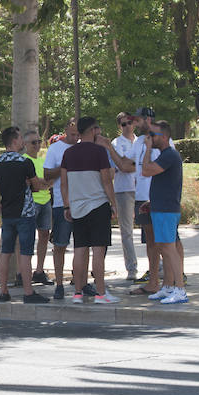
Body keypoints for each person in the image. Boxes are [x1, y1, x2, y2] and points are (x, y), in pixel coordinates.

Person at [61, 116, 120, 304]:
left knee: (79, 250)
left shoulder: (68, 153)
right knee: (98, 250)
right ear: (93, 130)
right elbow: (106, 180)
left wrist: (67, 204)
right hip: (98, 204)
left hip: (77, 207)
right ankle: (101, 293)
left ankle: (77, 293)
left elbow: (63, 183)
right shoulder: (99, 152)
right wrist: (114, 204)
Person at [0, 127, 49, 304]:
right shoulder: (25, 163)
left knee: (6, 251)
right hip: (25, 212)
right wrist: (37, 184)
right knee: (25, 253)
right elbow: (37, 186)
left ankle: (3, 290)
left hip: (8, 212)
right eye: (20, 139)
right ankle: (28, 291)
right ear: (15, 141)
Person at [141, 121, 187, 304]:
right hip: (162, 208)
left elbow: (146, 170)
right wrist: (153, 202)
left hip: (167, 211)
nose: (150, 138)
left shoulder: (169, 155)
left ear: (164, 137)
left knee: (169, 249)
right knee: (164, 247)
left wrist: (146, 150)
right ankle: (168, 287)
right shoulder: (166, 156)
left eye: (154, 135)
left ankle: (180, 289)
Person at [43, 118, 80, 299]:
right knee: (60, 244)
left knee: (83, 246)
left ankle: (80, 283)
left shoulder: (83, 147)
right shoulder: (55, 149)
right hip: (60, 203)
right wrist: (64, 167)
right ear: (65, 130)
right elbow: (47, 174)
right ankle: (59, 284)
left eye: (78, 134)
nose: (75, 138)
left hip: (83, 203)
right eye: (72, 134)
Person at [107, 112, 138, 280]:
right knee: (127, 231)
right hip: (123, 189)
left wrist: (133, 164)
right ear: (119, 126)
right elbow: (123, 166)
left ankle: (159, 266)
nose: (128, 126)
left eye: (130, 123)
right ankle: (131, 268)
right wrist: (140, 164)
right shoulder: (116, 144)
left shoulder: (141, 141)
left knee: (152, 229)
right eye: (124, 124)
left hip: (142, 190)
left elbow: (129, 164)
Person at [22, 130, 54, 285]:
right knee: (26, 237)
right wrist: (41, 183)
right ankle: (22, 273)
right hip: (31, 202)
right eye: (33, 142)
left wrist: (42, 183)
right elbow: (30, 182)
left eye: (39, 141)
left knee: (44, 235)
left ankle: (39, 270)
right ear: (25, 144)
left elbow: (49, 180)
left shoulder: (43, 160)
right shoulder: (23, 160)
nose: (37, 145)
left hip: (45, 201)